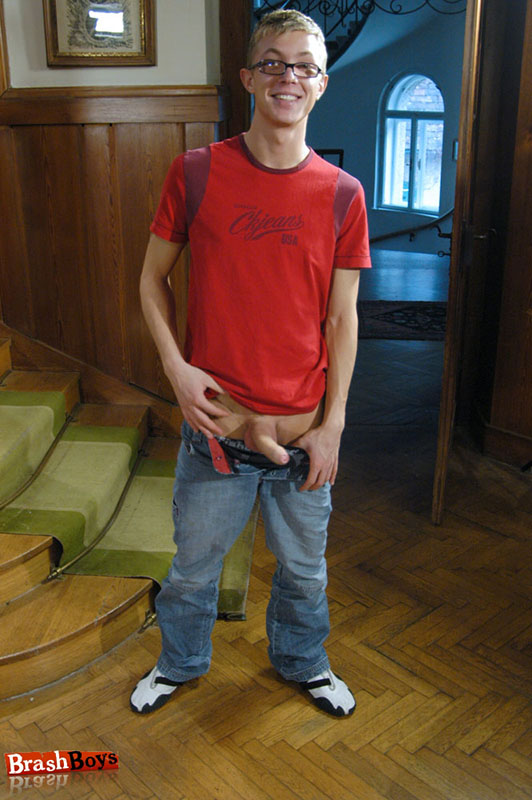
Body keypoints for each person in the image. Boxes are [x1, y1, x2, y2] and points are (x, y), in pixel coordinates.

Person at [130, 9, 371, 718]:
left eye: (303, 66)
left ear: (321, 84)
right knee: (192, 569)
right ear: (247, 77)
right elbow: (151, 280)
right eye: (272, 62)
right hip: (218, 435)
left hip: (303, 439)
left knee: (304, 573)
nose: (287, 76)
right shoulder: (196, 172)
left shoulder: (343, 194)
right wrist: (175, 368)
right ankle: (179, 662)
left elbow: (342, 320)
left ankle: (304, 661)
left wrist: (334, 425)